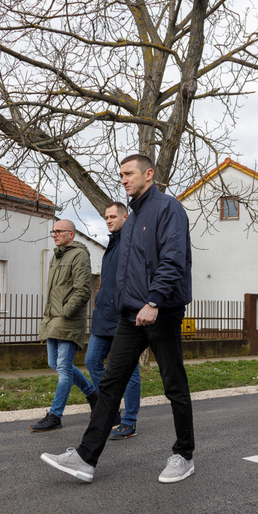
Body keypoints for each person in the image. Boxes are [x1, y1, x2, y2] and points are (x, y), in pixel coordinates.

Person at [41, 153, 195, 484]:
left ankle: (184, 455)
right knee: (111, 384)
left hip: (161, 311)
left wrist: (154, 301)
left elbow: (173, 260)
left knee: (173, 384)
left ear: (148, 174)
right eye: (121, 175)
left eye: (129, 173)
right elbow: (126, 271)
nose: (123, 179)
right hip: (131, 315)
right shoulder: (133, 217)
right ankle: (85, 458)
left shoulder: (168, 209)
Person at [31, 219, 98, 432]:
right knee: (55, 363)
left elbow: (83, 290)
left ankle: (55, 415)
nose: (54, 234)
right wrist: (51, 315)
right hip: (53, 318)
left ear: (71, 234)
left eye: (59, 231)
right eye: (53, 231)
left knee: (63, 368)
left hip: (67, 319)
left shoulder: (79, 255)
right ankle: (92, 394)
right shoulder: (56, 256)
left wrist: (65, 312)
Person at [85, 201, 142, 440]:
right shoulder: (113, 242)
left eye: (112, 217)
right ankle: (112, 410)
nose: (108, 220)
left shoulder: (133, 240)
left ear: (125, 217)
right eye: (106, 217)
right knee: (92, 361)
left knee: (130, 372)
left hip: (123, 317)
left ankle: (129, 422)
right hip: (103, 317)